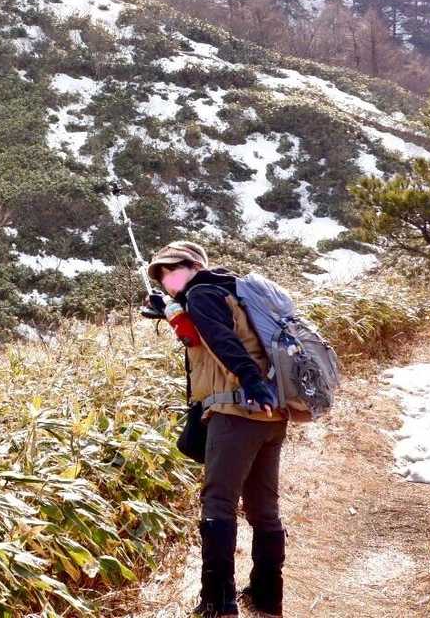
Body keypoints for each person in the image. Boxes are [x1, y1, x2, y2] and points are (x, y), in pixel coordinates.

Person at [147, 240, 287, 618]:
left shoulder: (202, 294)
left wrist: (248, 379)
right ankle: (267, 597)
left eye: (174, 270)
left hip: (236, 410)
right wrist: (169, 311)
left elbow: (222, 341)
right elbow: (207, 335)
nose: (168, 279)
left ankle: (217, 603)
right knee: (264, 509)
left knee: (218, 506)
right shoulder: (231, 290)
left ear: (196, 265)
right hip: (271, 413)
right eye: (162, 276)